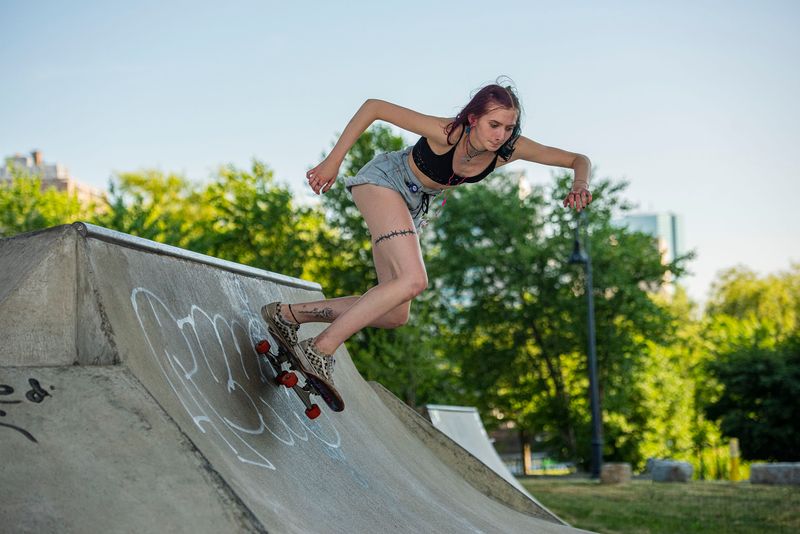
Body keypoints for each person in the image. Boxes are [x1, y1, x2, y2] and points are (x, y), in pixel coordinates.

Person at [263, 80, 592, 385]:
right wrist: (332, 162)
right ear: (473, 118)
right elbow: (374, 106)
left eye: (508, 128)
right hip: (385, 182)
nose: (500, 135)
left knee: (394, 313)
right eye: (494, 125)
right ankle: (319, 349)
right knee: (414, 280)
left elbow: (579, 158)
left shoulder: (508, 149)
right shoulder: (447, 132)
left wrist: (580, 184)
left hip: (412, 206)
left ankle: (288, 315)